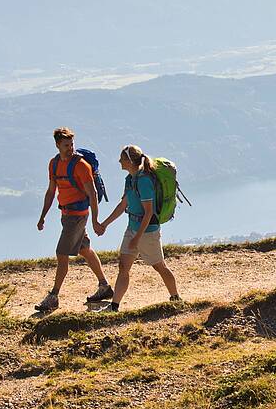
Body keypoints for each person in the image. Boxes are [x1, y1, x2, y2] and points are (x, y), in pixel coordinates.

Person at [35, 127, 113, 312]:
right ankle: (104, 287)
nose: (70, 148)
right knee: (84, 249)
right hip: (66, 214)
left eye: (71, 144)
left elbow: (92, 193)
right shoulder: (54, 164)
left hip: (77, 216)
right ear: (57, 145)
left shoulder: (81, 165)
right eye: (66, 145)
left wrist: (95, 220)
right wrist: (42, 216)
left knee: (62, 254)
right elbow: (51, 191)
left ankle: (53, 296)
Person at [94, 144, 181, 311]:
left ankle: (176, 298)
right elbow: (123, 205)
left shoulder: (144, 181)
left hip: (147, 232)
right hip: (132, 228)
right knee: (123, 267)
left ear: (129, 161)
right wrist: (104, 224)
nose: (119, 161)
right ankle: (114, 307)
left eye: (122, 158)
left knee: (159, 266)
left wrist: (137, 237)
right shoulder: (130, 179)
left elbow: (148, 213)